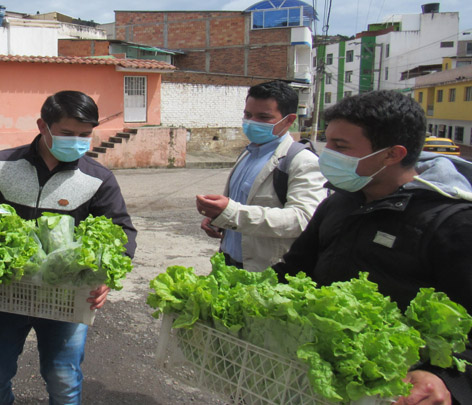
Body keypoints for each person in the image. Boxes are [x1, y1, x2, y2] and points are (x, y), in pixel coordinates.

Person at [273, 90, 472, 404]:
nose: (327, 155)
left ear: (392, 154)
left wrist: (445, 379)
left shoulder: (453, 223)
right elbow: (292, 272)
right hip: (319, 381)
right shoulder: (338, 203)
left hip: (396, 393)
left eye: (340, 147)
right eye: (328, 142)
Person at [0, 90, 137, 405]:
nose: (78, 142)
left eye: (85, 135)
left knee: (63, 379)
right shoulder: (2, 165)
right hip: (4, 294)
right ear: (43, 126)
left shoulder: (98, 178)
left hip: (66, 298)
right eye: (68, 134)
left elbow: (122, 230)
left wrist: (105, 274)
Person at [195, 80, 327, 271]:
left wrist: (232, 213)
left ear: (289, 120)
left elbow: (302, 219)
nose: (251, 122)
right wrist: (219, 218)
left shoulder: (302, 161)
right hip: (228, 263)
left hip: (266, 271)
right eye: (248, 115)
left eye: (263, 117)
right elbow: (239, 205)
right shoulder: (247, 153)